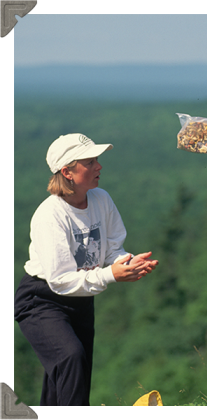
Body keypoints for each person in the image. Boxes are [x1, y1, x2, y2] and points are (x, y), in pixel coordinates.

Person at [14, 133, 159, 406]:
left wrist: (128, 262)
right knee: (71, 358)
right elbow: (59, 280)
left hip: (80, 300)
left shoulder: (101, 199)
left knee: (68, 375)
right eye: (90, 162)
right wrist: (110, 275)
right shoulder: (51, 215)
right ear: (67, 172)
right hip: (41, 299)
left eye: (97, 161)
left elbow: (112, 249)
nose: (99, 167)